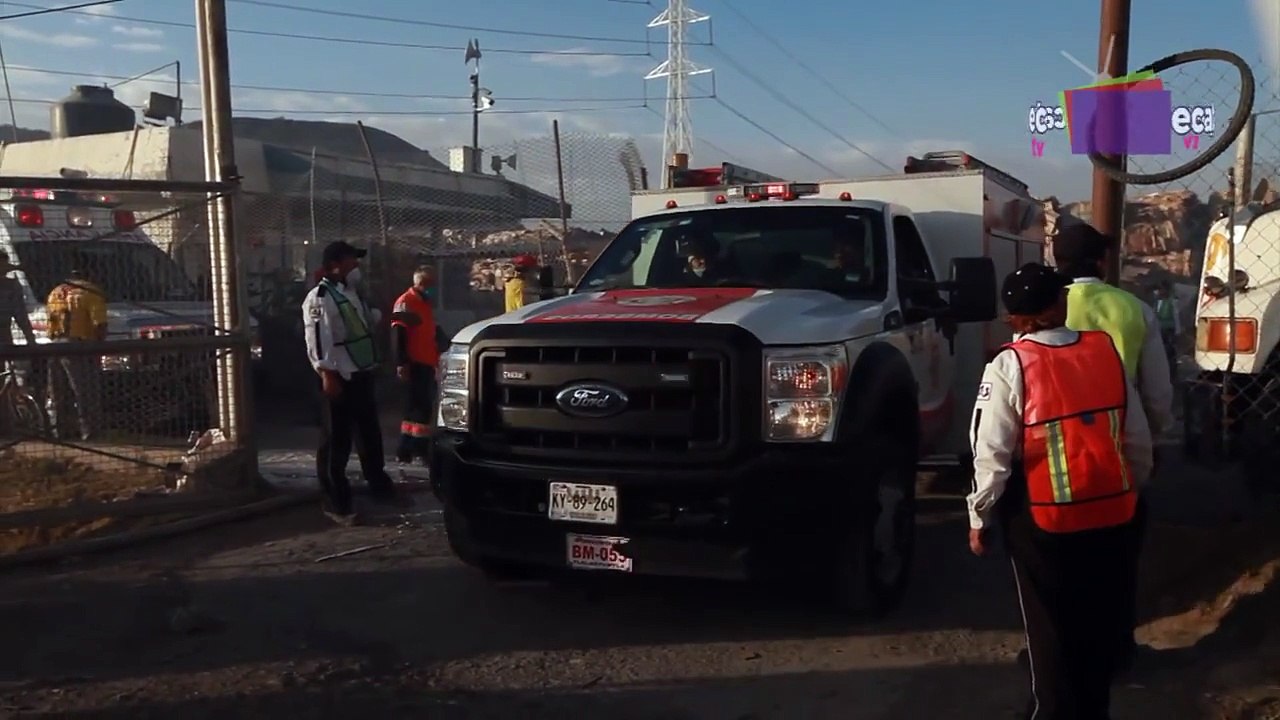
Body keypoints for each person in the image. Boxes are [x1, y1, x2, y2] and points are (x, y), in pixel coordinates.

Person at [967, 263, 1154, 720]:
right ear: (1061, 305)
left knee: (1050, 630)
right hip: (1113, 509)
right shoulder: (1104, 352)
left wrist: (979, 514)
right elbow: (1138, 440)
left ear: (1012, 316)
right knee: (1099, 620)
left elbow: (990, 449)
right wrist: (1133, 487)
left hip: (1044, 520)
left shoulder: (1011, 363)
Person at [1052, 223, 1172, 672]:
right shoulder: (1134, 309)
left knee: (1060, 560)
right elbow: (1157, 392)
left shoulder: (1044, 310)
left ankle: (1061, 652)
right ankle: (1116, 650)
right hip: (1120, 449)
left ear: (1057, 261)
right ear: (1102, 262)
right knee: (1117, 559)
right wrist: (1157, 435)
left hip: (1054, 455)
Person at [302, 240, 407, 525]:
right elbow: (318, 339)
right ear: (336, 265)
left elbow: (361, 324)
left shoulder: (351, 294)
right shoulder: (321, 298)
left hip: (360, 374)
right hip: (338, 377)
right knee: (336, 441)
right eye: (352, 261)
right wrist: (326, 373)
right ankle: (336, 502)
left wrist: (383, 315)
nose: (357, 266)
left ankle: (380, 487)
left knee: (369, 436)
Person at [391, 265, 449, 466]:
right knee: (419, 408)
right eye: (431, 284)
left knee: (416, 408)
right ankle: (418, 449)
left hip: (425, 361)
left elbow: (431, 330)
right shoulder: (406, 302)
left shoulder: (424, 303)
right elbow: (399, 334)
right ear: (422, 283)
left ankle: (406, 449)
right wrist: (402, 362)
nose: (434, 288)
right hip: (415, 361)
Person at [45, 261, 107, 441]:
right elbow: (100, 324)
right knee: (85, 391)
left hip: (56, 344)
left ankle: (60, 431)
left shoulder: (55, 292)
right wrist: (98, 347)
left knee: (58, 390)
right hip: (80, 345)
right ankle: (90, 431)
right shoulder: (91, 292)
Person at [0, 250, 35, 347]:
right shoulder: (10, 286)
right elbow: (20, 315)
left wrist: (31, 340)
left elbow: (21, 315)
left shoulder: (11, 286)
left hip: (4, 336)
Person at [1152, 280, 1180, 382]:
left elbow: (1176, 316)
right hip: (1159, 329)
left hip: (1168, 330)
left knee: (1169, 352)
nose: (1159, 292)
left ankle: (1172, 374)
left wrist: (1177, 331)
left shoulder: (1172, 301)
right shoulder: (1157, 301)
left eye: (1161, 290)